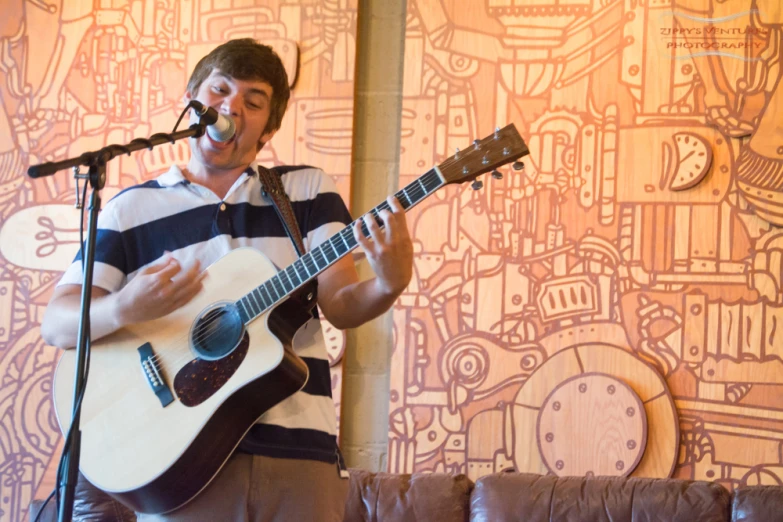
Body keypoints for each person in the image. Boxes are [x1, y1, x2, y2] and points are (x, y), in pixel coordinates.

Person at [40, 38, 414, 522]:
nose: (231, 106)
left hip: (299, 460)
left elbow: (340, 302)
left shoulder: (306, 190)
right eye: (219, 90)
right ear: (192, 98)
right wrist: (126, 307)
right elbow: (58, 324)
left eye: (252, 101)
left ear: (269, 126)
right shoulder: (130, 209)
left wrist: (389, 282)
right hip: (180, 464)